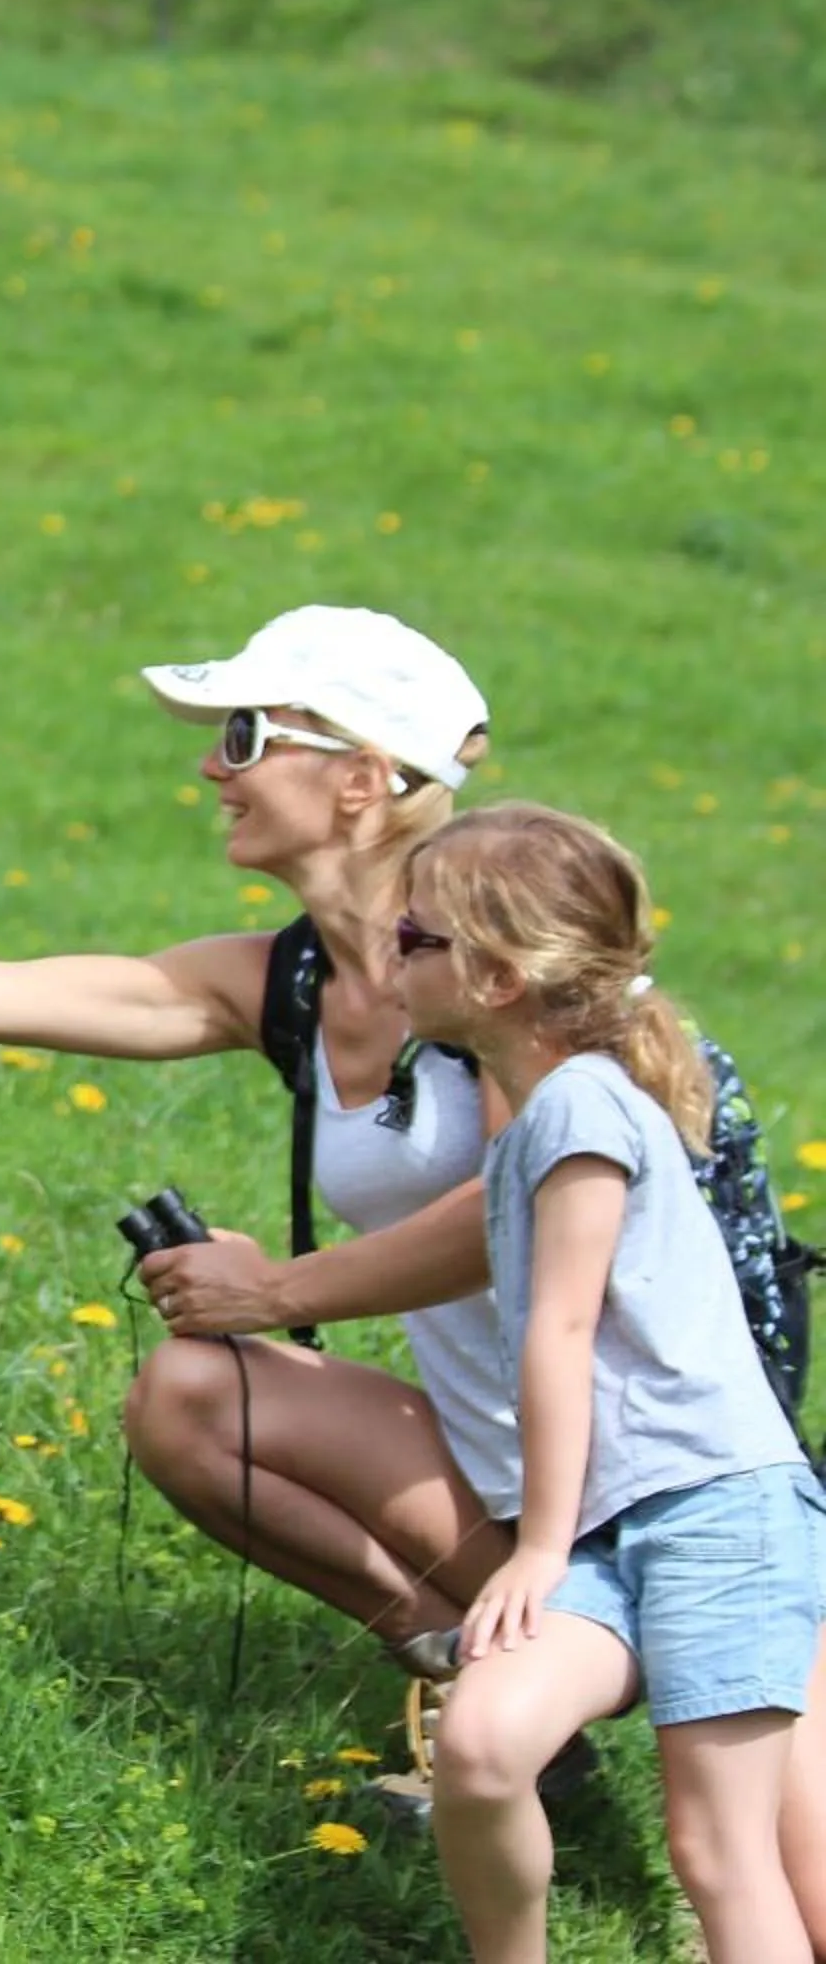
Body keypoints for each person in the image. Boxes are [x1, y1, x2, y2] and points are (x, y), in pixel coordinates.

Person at [0, 604, 826, 1915]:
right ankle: (471, 1679)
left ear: (362, 778)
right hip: (517, 1484)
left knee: (787, 1874)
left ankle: (530, 1692)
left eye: (244, 734)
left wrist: (280, 1290)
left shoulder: (498, 972)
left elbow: (505, 1217)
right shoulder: (289, 983)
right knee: (196, 1397)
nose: (212, 769)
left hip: (697, 1490)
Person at [399, 802, 825, 1963]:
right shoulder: (551, 1108)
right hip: (616, 1525)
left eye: (413, 937)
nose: (390, 956)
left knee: (720, 1851)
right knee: (484, 1744)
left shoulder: (581, 1105)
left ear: (494, 974)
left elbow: (562, 1329)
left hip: (717, 1511)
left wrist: (536, 1551)